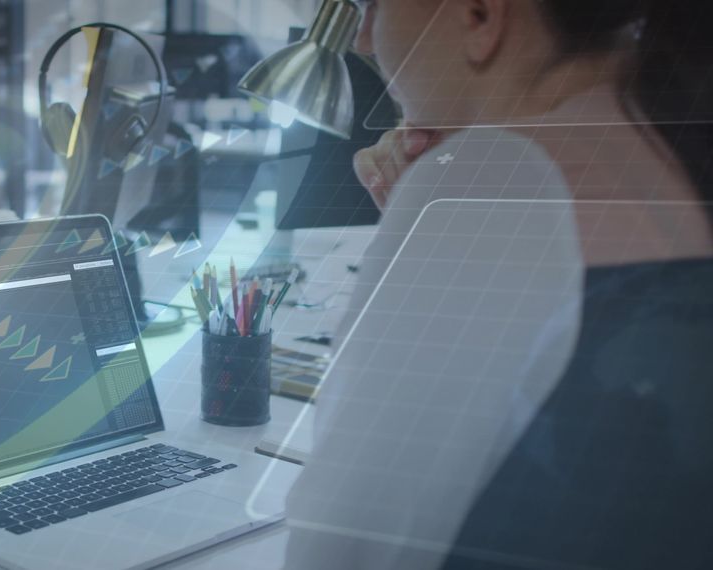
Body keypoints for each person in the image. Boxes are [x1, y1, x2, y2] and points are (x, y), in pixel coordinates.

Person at [284, 0, 713, 568]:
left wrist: (432, 224)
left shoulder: (486, 183)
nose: (363, 39)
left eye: (374, 7)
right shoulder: (675, 148)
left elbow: (340, 543)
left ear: (481, 16)